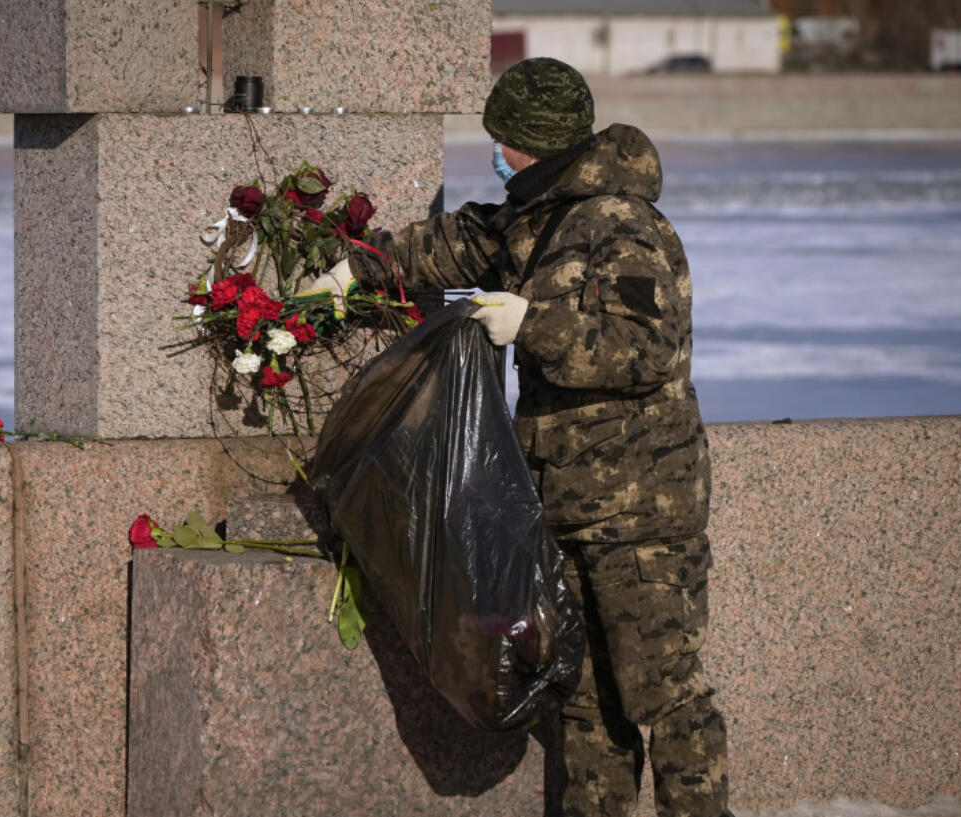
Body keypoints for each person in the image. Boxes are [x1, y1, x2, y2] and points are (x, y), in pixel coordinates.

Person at [301, 57, 729, 817]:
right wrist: (353, 273)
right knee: (586, 701)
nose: (494, 152)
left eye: (505, 139)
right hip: (564, 508)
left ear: (538, 142)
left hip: (640, 519)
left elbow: (645, 347)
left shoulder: (622, 226)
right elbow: (450, 244)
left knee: (665, 695)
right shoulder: (534, 216)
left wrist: (534, 325)